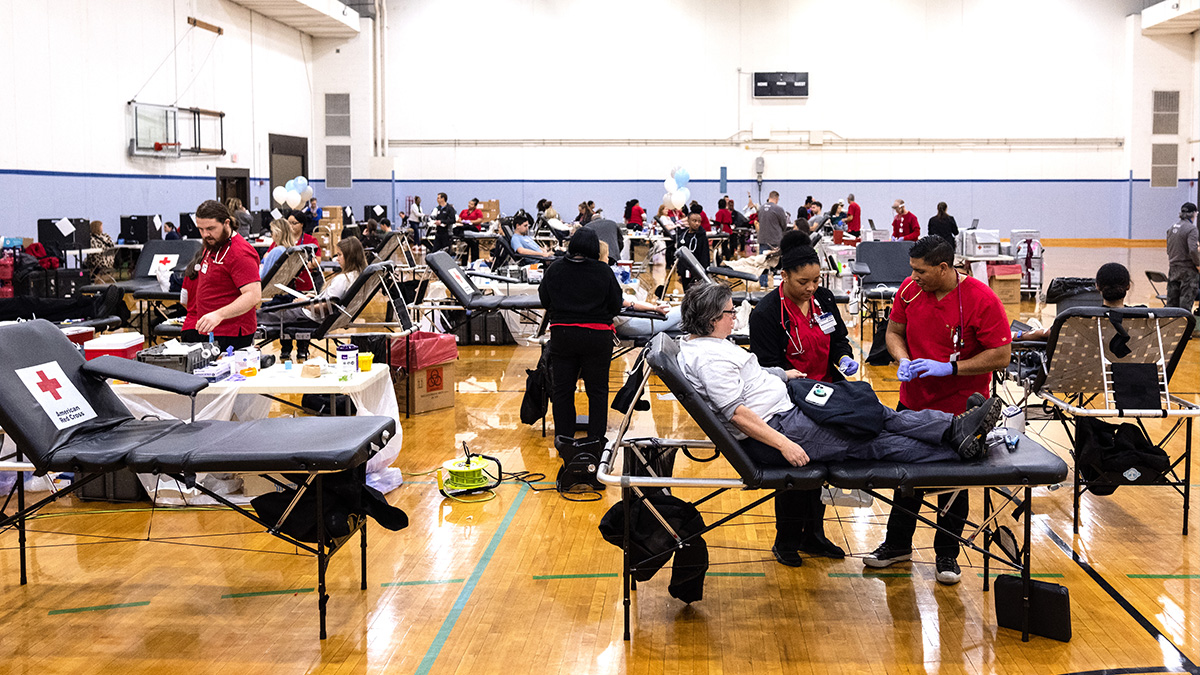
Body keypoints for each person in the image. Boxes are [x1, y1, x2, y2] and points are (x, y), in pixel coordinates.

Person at [676, 282, 1003, 566]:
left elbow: (748, 379)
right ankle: (957, 449)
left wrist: (781, 374)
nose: (735, 318)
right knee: (870, 440)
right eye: (731, 313)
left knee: (870, 411)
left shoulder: (713, 346)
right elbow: (737, 414)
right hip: (783, 428)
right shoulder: (708, 359)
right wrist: (784, 444)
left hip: (790, 404)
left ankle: (953, 427)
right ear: (712, 320)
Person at [869, 235, 1012, 585]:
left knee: (953, 484)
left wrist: (952, 368)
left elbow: (1001, 355)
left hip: (959, 410)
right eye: (912, 269)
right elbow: (894, 331)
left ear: (944, 268)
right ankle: (897, 544)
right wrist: (902, 359)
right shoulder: (909, 289)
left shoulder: (981, 299)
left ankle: (947, 553)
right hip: (913, 402)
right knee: (905, 477)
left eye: (921, 270)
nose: (913, 276)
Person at [749, 231, 860, 563]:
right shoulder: (767, 313)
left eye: (816, 280)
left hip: (827, 391)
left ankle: (813, 535)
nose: (811, 288)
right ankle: (786, 540)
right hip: (789, 400)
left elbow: (838, 337)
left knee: (823, 468)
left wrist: (842, 357)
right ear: (784, 276)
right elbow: (767, 365)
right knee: (794, 470)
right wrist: (791, 378)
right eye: (803, 282)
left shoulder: (824, 299)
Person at [538, 228, 624, 444]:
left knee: (563, 390)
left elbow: (544, 300)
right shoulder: (603, 271)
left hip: (563, 335)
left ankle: (564, 439)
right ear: (595, 248)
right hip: (597, 337)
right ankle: (595, 441)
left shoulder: (555, 268)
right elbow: (615, 305)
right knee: (597, 391)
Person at [257, 237, 367, 362]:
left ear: (350, 256)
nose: (337, 258)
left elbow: (326, 307)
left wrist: (304, 304)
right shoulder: (355, 276)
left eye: (340, 255)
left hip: (309, 317)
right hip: (314, 314)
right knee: (280, 305)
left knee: (266, 314)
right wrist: (313, 299)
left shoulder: (342, 279)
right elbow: (331, 302)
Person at [187, 200, 262, 351]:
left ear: (226, 223)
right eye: (200, 229)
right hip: (211, 329)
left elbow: (253, 295)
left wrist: (219, 315)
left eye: (210, 228)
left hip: (231, 333)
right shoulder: (213, 243)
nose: (205, 234)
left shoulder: (240, 253)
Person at [1015, 263, 1132, 341]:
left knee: (1033, 323)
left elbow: (1043, 334)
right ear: (1128, 286)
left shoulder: (1076, 320)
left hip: (1079, 373)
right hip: (1127, 375)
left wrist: (1016, 335)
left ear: (1097, 286)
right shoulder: (1145, 317)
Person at [267, 212, 322, 293]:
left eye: (294, 223)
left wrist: (309, 264)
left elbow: (317, 259)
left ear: (302, 224)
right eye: (288, 223)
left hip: (304, 283)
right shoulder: (282, 239)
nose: (290, 226)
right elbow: (267, 254)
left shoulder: (310, 240)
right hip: (284, 283)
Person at [1166, 202, 1199, 312]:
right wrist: (1198, 264)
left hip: (1173, 269)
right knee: (1185, 306)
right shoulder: (1191, 229)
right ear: (1194, 214)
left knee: (1171, 305)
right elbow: (1193, 250)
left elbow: (1168, 249)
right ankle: (1186, 328)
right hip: (1187, 271)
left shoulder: (1171, 228)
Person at [675, 212, 711, 290]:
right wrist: (679, 272)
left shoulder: (702, 237)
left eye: (699, 221)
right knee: (686, 292)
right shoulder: (683, 236)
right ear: (688, 221)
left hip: (697, 271)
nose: (697, 223)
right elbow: (679, 255)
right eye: (694, 221)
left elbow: (705, 255)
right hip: (685, 271)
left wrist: (703, 274)